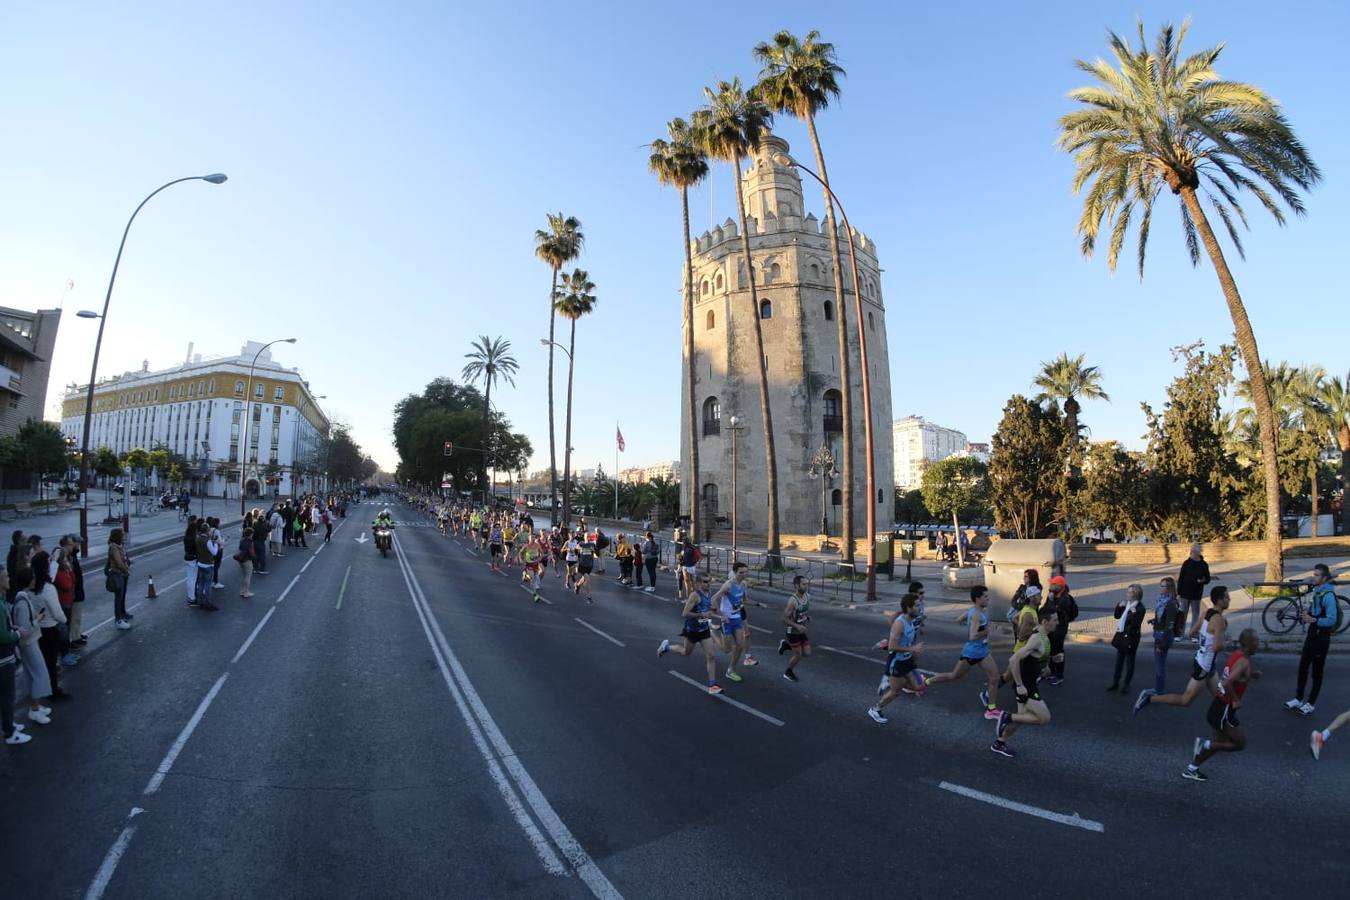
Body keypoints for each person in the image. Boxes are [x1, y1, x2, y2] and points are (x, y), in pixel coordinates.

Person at [1135, 585, 1230, 715]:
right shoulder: (1219, 620)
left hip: (1207, 664)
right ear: (1219, 600)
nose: (1229, 599)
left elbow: (1191, 633)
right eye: (1226, 597)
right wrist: (1227, 642)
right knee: (1185, 700)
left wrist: (1205, 640)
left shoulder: (1206, 613)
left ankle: (1221, 729)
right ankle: (1150, 698)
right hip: (1204, 666)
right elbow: (1217, 647)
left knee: (1221, 700)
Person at [1183, 628, 1261, 782]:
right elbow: (1226, 682)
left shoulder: (1238, 655)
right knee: (1239, 743)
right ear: (1248, 644)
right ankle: (1203, 744)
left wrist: (1251, 675)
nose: (1258, 644)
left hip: (1218, 707)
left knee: (1218, 744)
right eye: (1256, 641)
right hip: (1223, 709)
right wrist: (1236, 699)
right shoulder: (1244, 661)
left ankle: (1192, 768)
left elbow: (1235, 675)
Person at [925, 586, 1002, 720]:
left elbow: (958, 620)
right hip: (972, 653)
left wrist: (968, 622)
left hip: (982, 651)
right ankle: (926, 681)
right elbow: (972, 636)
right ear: (978, 599)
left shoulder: (974, 611)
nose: (988, 599)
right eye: (985, 597)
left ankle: (991, 708)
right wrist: (988, 630)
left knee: (994, 677)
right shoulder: (977, 614)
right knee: (954, 676)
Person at [991, 606, 1056, 759]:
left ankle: (999, 743)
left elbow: (1036, 659)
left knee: (1023, 717)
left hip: (1030, 683)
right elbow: (1013, 660)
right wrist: (1019, 686)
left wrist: (1049, 664)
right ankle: (1006, 717)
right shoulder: (1036, 639)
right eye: (1054, 620)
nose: (1057, 623)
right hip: (1026, 687)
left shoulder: (1044, 635)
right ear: (1045, 622)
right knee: (1044, 718)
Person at [1284, 563, 1338, 717]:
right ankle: (1298, 698)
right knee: (1303, 667)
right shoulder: (1317, 592)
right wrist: (1305, 617)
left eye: (1316, 575)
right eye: (1313, 574)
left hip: (1322, 638)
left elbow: (1332, 620)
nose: (1313, 577)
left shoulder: (1328, 595)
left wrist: (1313, 620)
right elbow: (1313, 613)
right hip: (1312, 635)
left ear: (1325, 578)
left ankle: (1311, 703)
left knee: (1316, 672)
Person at [658, 572, 723, 694]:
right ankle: (666, 647)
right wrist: (701, 614)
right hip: (692, 630)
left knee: (711, 656)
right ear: (698, 583)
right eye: (705, 581)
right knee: (686, 652)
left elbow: (708, 608)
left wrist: (715, 612)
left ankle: (712, 685)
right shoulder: (695, 595)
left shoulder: (709, 594)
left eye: (709, 581)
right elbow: (685, 613)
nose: (708, 584)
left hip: (704, 630)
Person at [868, 593, 926, 724]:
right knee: (895, 692)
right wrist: (913, 649)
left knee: (917, 687)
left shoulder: (911, 621)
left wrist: (913, 653)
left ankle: (892, 681)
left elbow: (907, 642)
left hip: (907, 660)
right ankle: (875, 709)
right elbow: (892, 646)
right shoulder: (900, 624)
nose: (919, 608)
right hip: (898, 662)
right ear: (908, 607)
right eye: (917, 606)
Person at [10, 567, 53, 726]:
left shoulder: (23, 597)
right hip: (29, 644)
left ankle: (36, 706)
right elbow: (25, 629)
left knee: (33, 674)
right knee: (39, 674)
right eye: (33, 577)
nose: (35, 579)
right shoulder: (22, 602)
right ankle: (34, 710)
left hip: (30, 642)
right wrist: (38, 619)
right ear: (28, 580)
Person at [28, 552, 68, 702]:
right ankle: (53, 690)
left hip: (38, 628)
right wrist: (63, 620)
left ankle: (44, 689)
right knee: (52, 662)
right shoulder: (48, 588)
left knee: (43, 661)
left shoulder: (32, 587)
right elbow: (57, 612)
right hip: (51, 628)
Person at [0, 565, 30, 744]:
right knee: (7, 695)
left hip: (5, 656)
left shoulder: (2, 601)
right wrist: (18, 634)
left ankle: (9, 723)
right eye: (5, 577)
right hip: (3, 658)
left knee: (7, 694)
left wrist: (13, 627)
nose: (9, 579)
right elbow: (2, 636)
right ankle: (10, 733)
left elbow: (4, 626)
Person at [711, 562, 754, 682]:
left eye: (746, 572)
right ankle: (712, 633)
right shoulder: (728, 585)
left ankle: (730, 671)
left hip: (737, 618)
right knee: (726, 650)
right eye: (741, 572)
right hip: (727, 620)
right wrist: (722, 614)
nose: (744, 575)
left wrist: (757, 604)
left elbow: (744, 600)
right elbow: (713, 599)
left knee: (740, 646)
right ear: (735, 573)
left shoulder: (744, 584)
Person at [1106, 584, 1146, 693]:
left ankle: (1126, 684)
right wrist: (1119, 606)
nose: (1127, 594)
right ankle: (1115, 682)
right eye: (1127, 591)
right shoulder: (1126, 604)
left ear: (1135, 594)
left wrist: (1134, 613)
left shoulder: (1140, 608)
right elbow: (1117, 616)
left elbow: (1136, 624)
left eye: (1129, 592)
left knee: (1130, 662)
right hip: (1122, 636)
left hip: (1131, 638)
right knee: (1119, 661)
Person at [1040, 575, 1077, 684]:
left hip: (1059, 630)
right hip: (1052, 628)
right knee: (1051, 651)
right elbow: (1045, 610)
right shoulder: (1053, 595)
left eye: (1053, 584)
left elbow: (1054, 611)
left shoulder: (1065, 599)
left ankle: (1059, 675)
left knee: (1058, 652)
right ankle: (1052, 671)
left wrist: (1051, 601)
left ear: (1059, 586)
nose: (1050, 585)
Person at [1149, 576, 1182, 693]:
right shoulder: (1162, 601)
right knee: (1159, 664)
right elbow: (1163, 618)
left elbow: (1169, 626)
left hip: (1163, 637)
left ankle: (1159, 690)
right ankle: (1158, 688)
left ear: (1169, 588)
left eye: (1163, 586)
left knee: (1160, 666)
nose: (1161, 588)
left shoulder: (1170, 604)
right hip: (1158, 634)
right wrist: (1155, 620)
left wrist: (1161, 645)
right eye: (1160, 585)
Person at [778, 576, 811, 682]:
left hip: (801, 630)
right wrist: (797, 626)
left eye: (807, 584)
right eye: (804, 584)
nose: (806, 586)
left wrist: (807, 617)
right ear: (797, 586)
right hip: (792, 631)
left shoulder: (807, 596)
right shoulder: (793, 601)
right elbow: (783, 619)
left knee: (807, 653)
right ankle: (788, 672)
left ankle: (785, 645)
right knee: (798, 655)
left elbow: (802, 612)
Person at [1177, 543, 1212, 641]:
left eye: (1193, 551)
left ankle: (1193, 634)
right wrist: (1178, 593)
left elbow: (1208, 579)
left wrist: (1202, 581)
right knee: (1182, 614)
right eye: (1191, 551)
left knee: (1195, 615)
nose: (1191, 553)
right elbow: (1181, 579)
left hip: (1196, 594)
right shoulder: (1186, 563)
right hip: (1184, 593)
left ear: (1197, 552)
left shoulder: (1204, 564)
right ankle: (1180, 633)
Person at [107, 528, 133, 628]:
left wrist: (128, 563)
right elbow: (118, 562)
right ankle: (118, 620)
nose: (124, 536)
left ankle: (123, 613)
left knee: (122, 595)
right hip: (118, 574)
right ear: (117, 536)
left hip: (123, 574)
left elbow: (124, 558)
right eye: (122, 535)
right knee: (118, 597)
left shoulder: (120, 545)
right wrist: (126, 571)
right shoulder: (114, 547)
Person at [194, 522, 219, 612]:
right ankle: (208, 603)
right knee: (207, 585)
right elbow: (214, 553)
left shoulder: (198, 538)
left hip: (200, 564)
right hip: (208, 565)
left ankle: (200, 601)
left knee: (200, 583)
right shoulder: (207, 541)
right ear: (208, 530)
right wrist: (215, 544)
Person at [181, 516, 200, 603]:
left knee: (189, 578)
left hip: (187, 557)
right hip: (193, 559)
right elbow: (197, 549)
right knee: (193, 579)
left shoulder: (186, 536)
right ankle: (192, 597)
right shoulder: (194, 538)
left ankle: (190, 595)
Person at [574, 532, 595, 603]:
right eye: (587, 536)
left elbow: (596, 552)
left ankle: (577, 585)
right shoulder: (581, 543)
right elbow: (576, 547)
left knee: (584, 579)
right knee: (588, 580)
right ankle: (589, 597)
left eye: (589, 536)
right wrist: (581, 548)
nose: (588, 537)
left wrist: (593, 550)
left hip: (589, 565)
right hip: (582, 565)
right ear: (584, 537)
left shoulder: (592, 544)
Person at [236, 527, 256, 598]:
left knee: (244, 575)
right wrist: (254, 558)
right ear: (250, 534)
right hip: (247, 560)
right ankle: (246, 592)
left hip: (241, 560)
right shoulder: (250, 542)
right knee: (248, 576)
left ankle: (242, 591)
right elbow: (252, 553)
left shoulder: (242, 540)